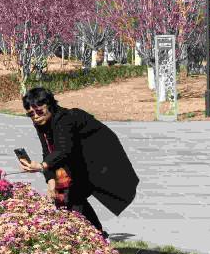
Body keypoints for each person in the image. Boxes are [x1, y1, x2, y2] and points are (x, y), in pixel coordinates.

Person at [17, 87, 138, 238]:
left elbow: (64, 150)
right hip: (73, 156)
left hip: (98, 154)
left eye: (39, 111)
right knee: (67, 193)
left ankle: (95, 235)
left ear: (50, 105)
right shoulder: (41, 122)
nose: (35, 116)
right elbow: (47, 150)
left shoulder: (65, 118)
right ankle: (95, 234)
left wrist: (42, 166)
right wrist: (50, 179)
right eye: (30, 114)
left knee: (72, 192)